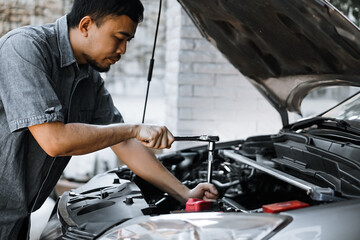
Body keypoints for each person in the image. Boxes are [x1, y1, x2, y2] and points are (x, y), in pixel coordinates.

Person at [0, 0, 218, 239]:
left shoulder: (90, 80)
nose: (123, 50)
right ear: (86, 25)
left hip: (18, 218)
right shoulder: (24, 48)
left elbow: (125, 143)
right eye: (119, 37)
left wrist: (184, 194)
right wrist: (133, 129)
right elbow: (55, 141)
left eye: (128, 41)